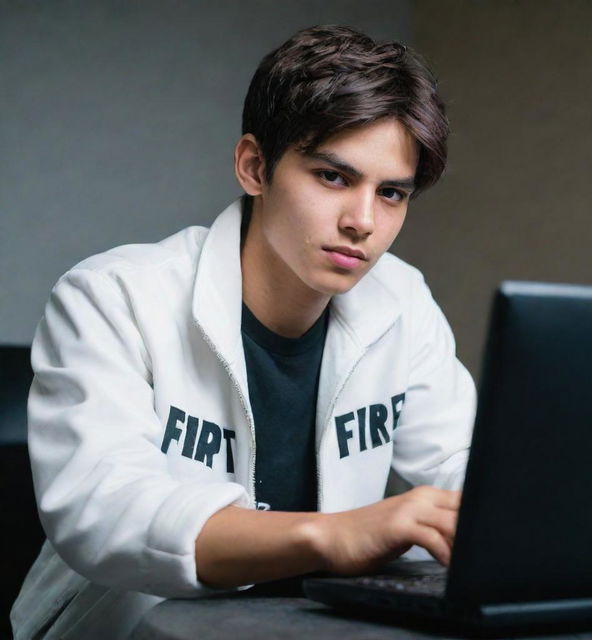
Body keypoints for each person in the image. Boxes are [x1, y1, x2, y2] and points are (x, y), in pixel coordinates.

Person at [11, 24, 476, 640]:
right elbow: (106, 511)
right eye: (333, 177)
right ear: (255, 167)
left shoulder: (403, 297)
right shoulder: (112, 295)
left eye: (391, 193)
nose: (363, 221)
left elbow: (461, 465)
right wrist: (333, 534)